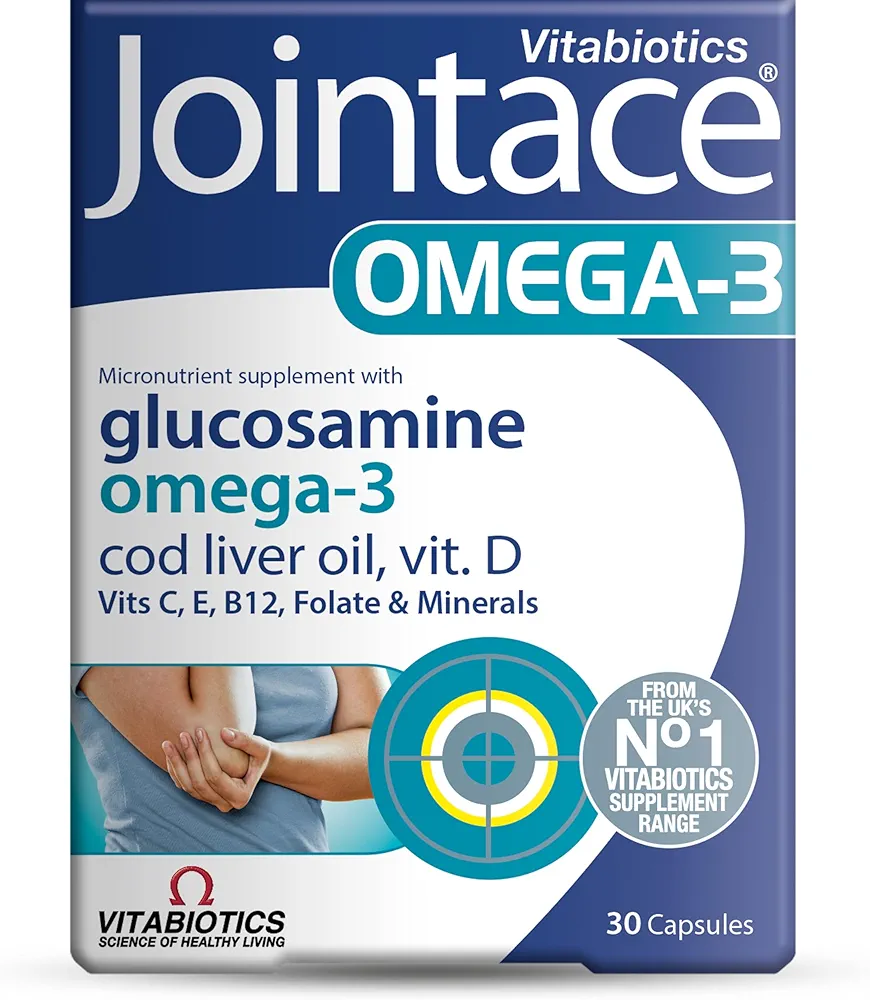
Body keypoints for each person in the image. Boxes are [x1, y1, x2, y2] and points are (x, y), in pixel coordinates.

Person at [71, 665, 387, 853]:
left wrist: (272, 760)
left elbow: (381, 756)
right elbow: (222, 751)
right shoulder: (111, 609)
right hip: (167, 911)